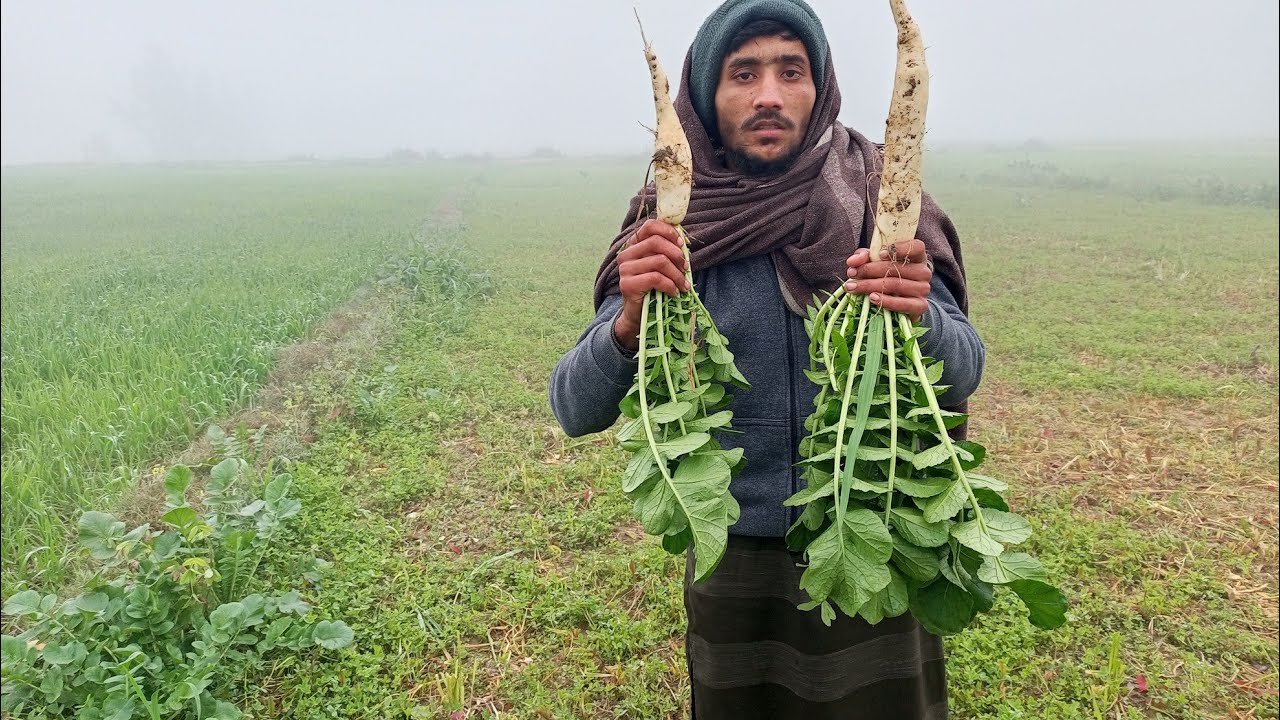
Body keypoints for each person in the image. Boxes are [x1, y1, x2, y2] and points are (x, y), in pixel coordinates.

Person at [549, 0, 983, 717]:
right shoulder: (669, 227)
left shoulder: (885, 201)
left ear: (821, 86)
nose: (770, 95)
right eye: (743, 73)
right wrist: (627, 322)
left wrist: (922, 318)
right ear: (706, 96)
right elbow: (573, 406)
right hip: (737, 556)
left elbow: (964, 369)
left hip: (878, 525)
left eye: (791, 70)